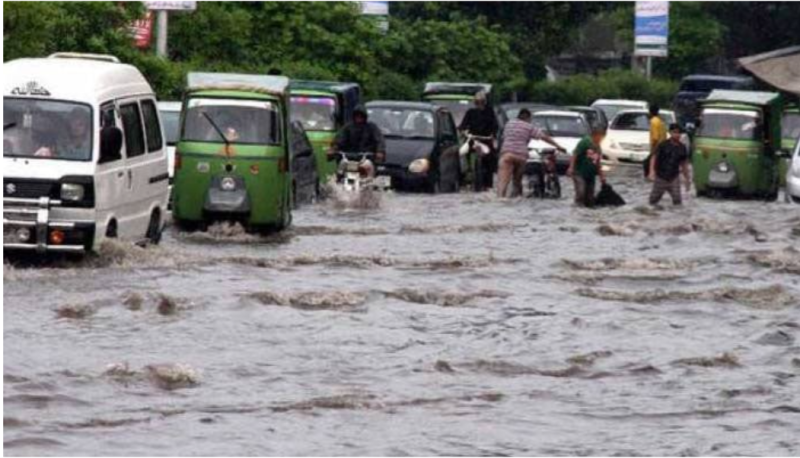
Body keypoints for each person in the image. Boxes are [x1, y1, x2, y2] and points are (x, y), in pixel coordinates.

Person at [497, 109, 566, 198]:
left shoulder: (509, 124)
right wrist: (559, 146)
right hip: (520, 156)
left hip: (506, 155)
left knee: (503, 181)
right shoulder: (529, 126)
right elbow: (544, 137)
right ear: (528, 118)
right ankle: (516, 196)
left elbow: (506, 137)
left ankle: (500, 197)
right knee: (517, 180)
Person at [458, 91, 499, 191]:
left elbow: (495, 126)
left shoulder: (490, 112)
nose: (479, 104)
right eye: (477, 102)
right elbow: (463, 125)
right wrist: (464, 132)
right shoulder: (470, 112)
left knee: (491, 159)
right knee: (463, 154)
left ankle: (488, 184)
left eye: (481, 102)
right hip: (473, 139)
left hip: (486, 140)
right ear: (475, 102)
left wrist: (493, 135)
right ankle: (466, 175)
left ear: (485, 102)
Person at [649, 123, 691, 206]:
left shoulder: (682, 148)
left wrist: (687, 179)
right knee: (653, 201)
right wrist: (651, 171)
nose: (677, 135)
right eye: (675, 132)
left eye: (679, 133)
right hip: (661, 176)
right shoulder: (663, 145)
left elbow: (684, 164)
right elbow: (654, 157)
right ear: (670, 133)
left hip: (674, 177)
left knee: (677, 201)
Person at [567, 125, 606, 207]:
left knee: (590, 198)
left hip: (591, 175)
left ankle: (586, 213)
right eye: (601, 136)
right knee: (581, 192)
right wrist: (571, 167)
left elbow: (598, 163)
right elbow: (575, 154)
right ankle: (577, 209)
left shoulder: (598, 147)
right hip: (579, 172)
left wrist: (602, 176)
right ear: (595, 134)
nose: (602, 138)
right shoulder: (585, 141)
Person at [644, 104, 667, 178]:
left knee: (650, 162)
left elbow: (655, 138)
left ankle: (651, 176)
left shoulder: (653, 122)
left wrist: (653, 149)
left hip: (657, 146)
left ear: (650, 112)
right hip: (662, 145)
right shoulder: (660, 121)